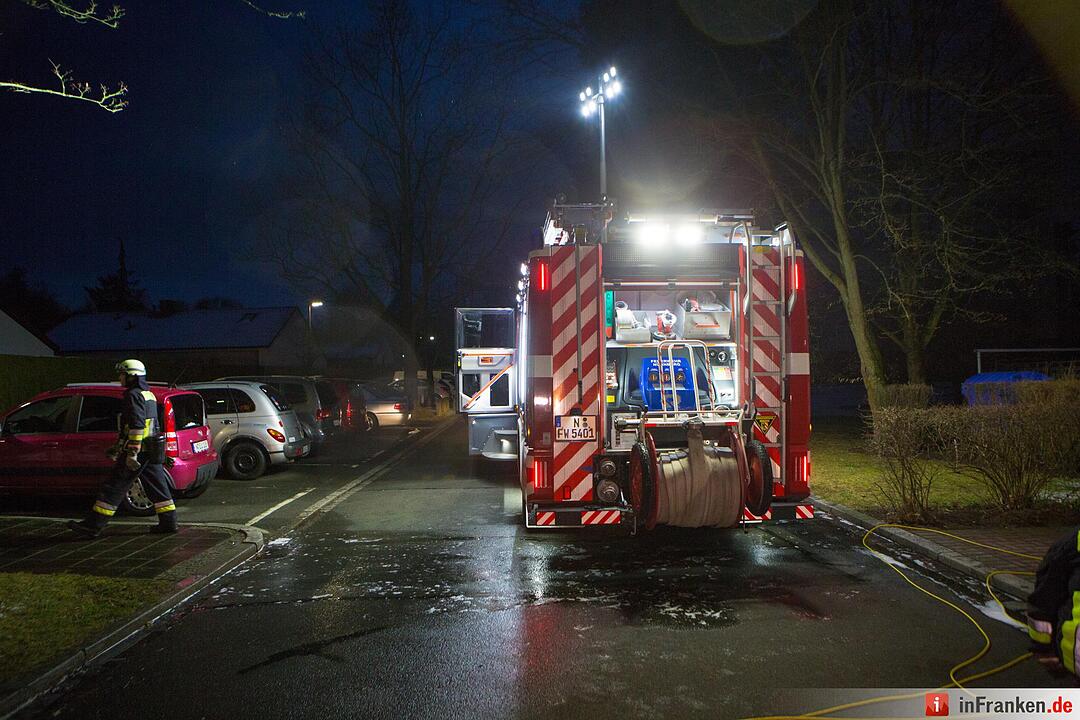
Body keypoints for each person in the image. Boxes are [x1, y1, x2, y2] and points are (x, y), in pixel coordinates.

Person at [68, 359, 178, 538]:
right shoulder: (147, 393)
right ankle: (169, 522)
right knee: (158, 486)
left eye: (122, 374)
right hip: (151, 450)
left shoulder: (132, 395)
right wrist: (119, 447)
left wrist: (131, 453)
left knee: (114, 487)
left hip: (138, 452)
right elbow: (151, 424)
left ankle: (92, 526)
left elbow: (136, 425)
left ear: (132, 376)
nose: (120, 378)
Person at [1026, 527, 1080, 674]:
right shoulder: (1072, 546)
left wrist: (1043, 649)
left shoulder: (1072, 545)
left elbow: (1045, 598)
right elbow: (1046, 597)